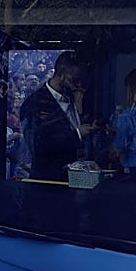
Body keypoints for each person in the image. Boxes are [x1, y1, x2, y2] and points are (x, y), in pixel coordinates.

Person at [18, 51, 92, 182]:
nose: (78, 85)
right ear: (61, 75)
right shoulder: (35, 103)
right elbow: (37, 144)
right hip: (49, 183)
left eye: (81, 80)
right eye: (74, 80)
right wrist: (77, 135)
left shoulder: (76, 97)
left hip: (76, 181)